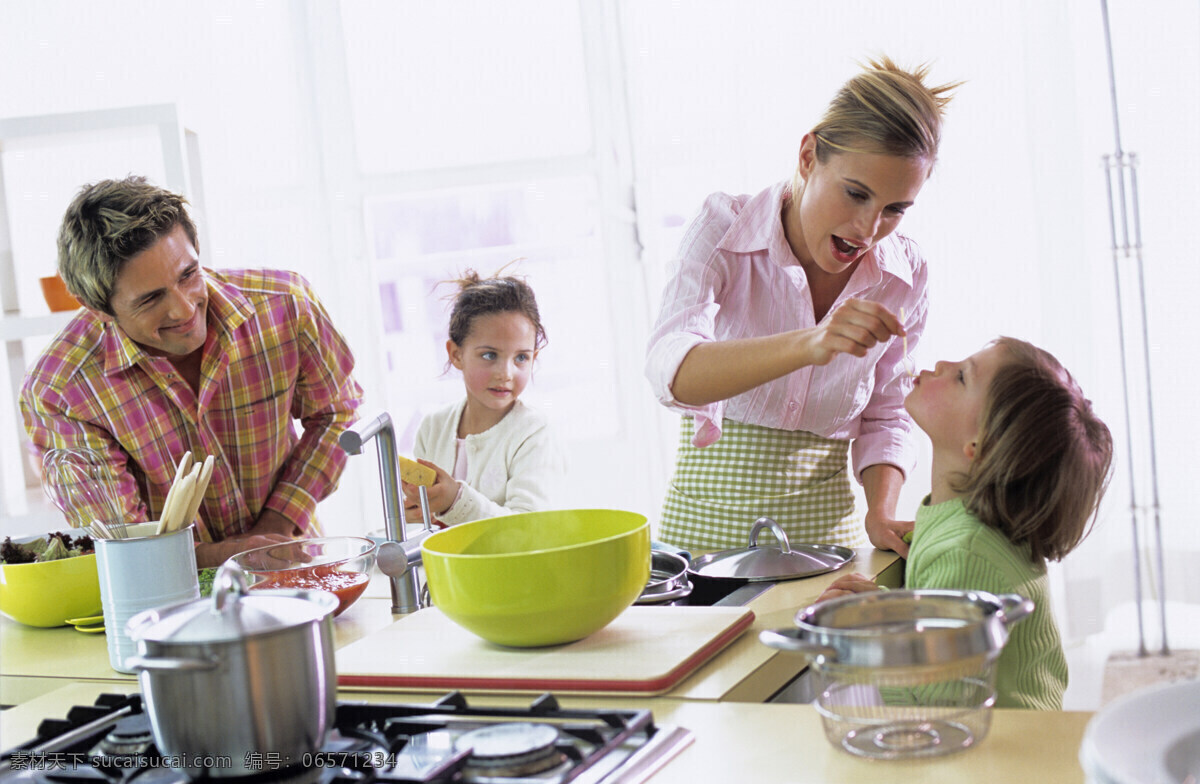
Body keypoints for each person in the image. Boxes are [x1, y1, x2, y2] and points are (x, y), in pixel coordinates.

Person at [645, 57, 960, 555]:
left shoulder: (907, 272)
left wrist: (880, 513)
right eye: (856, 193)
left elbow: (886, 411)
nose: (868, 229)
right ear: (810, 155)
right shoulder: (722, 228)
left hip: (826, 548)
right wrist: (809, 344)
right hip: (701, 544)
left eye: (895, 209)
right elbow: (669, 370)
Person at [20, 176, 364, 568]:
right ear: (97, 307)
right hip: (167, 600)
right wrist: (235, 556)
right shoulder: (60, 391)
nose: (184, 310)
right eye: (150, 299)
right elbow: (125, 547)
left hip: (292, 565)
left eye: (188, 274)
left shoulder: (286, 305)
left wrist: (277, 525)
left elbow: (338, 412)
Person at [818, 337, 1114, 710]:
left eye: (961, 377)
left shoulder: (965, 554)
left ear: (980, 445)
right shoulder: (960, 525)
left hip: (1000, 758)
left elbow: (937, 710)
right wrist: (893, 611)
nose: (942, 363)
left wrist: (866, 637)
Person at [402, 270, 560, 526]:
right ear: (456, 354)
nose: (506, 373)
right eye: (489, 355)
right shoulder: (433, 428)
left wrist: (456, 502)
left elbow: (530, 528)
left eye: (521, 357)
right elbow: (424, 529)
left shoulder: (534, 433)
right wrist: (413, 516)